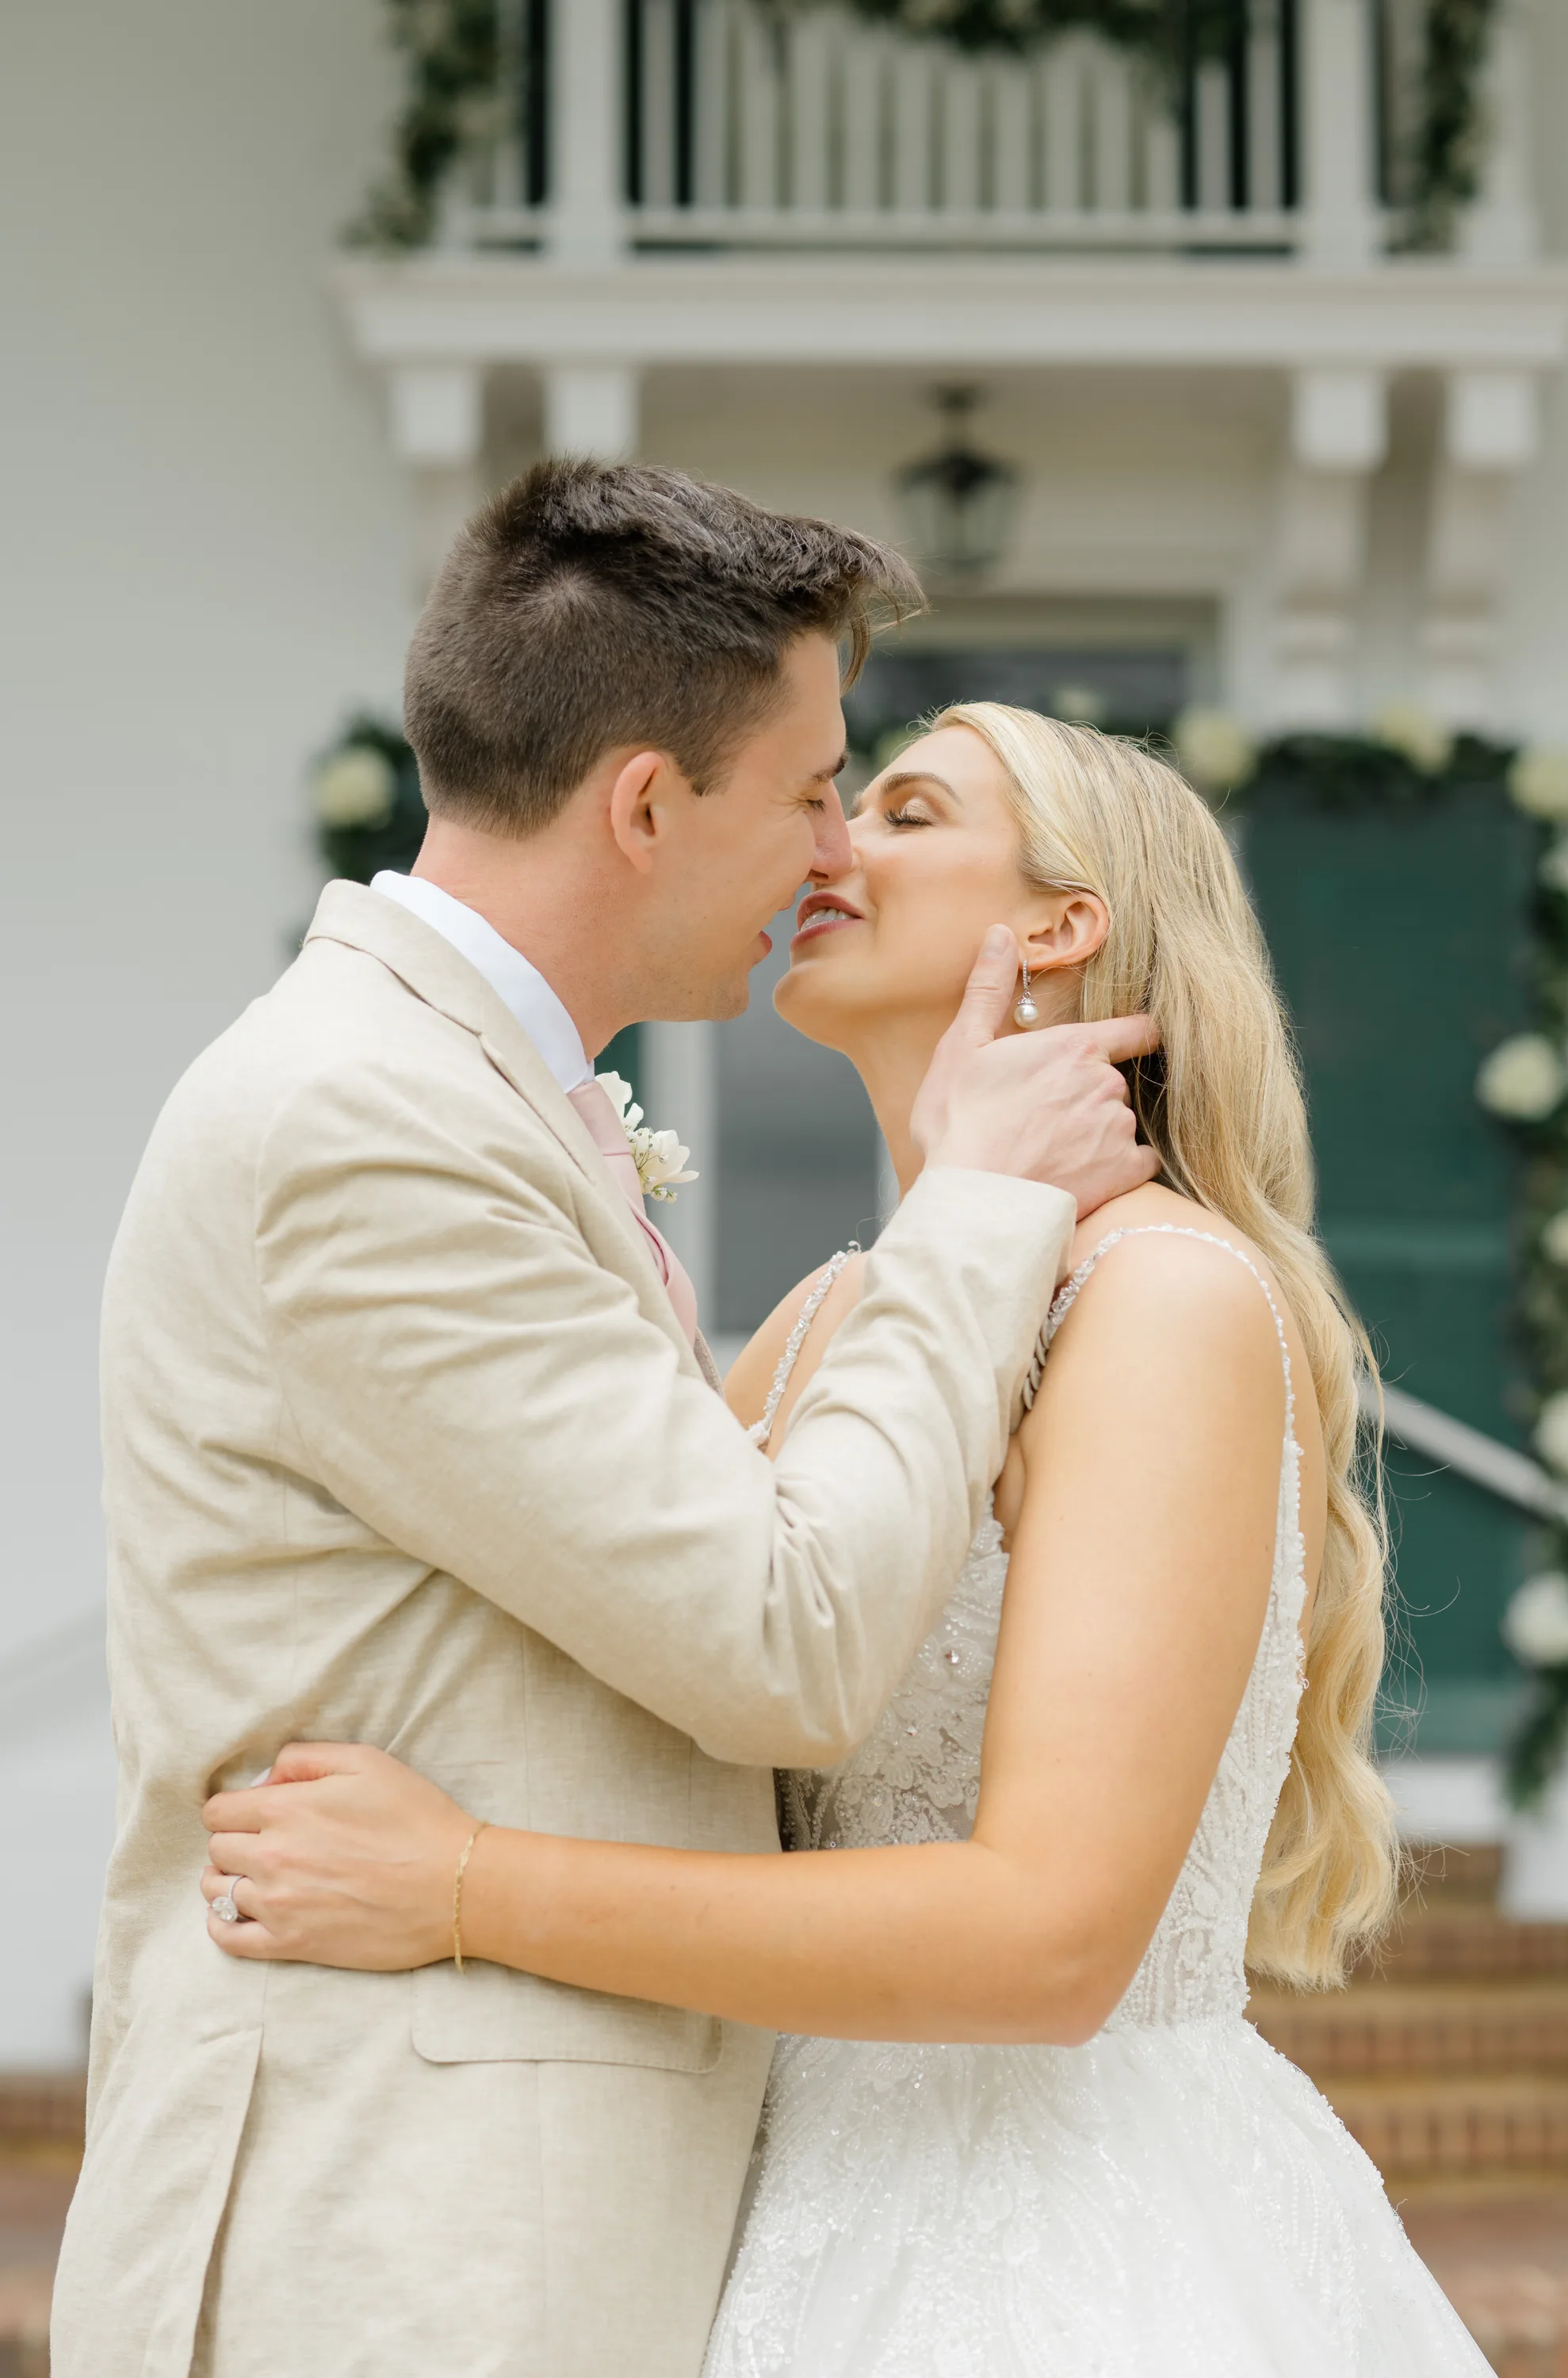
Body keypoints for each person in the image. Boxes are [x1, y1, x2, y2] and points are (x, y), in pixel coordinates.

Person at [201, 705, 1490, 2375]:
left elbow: (1049, 1940)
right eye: (830, 805)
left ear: (1060, 920)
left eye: (902, 809)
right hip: (761, 2199)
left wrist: (459, 1885)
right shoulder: (821, 1329)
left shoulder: (1158, 1302)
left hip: (1057, 2249)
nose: (830, 848)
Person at [50, 471, 1159, 2378]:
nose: (831, 856)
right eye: (818, 789)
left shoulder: (460, 1094)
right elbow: (781, 1636)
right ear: (647, 803)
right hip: (405, 2235)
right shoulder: (366, 1121)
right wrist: (975, 1211)